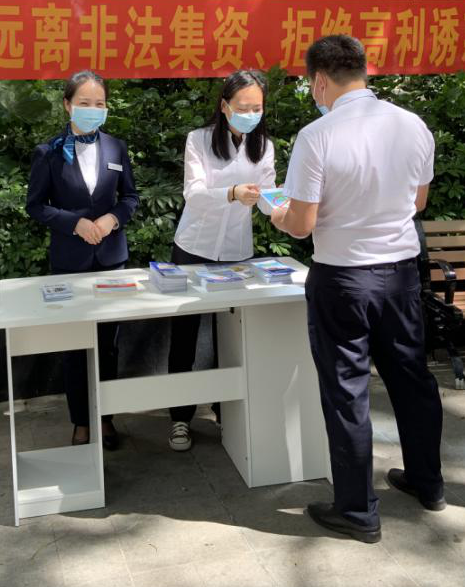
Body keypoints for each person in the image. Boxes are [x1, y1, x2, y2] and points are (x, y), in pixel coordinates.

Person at [270, 34, 443, 544]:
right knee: (411, 378)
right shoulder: (412, 124)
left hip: (343, 278)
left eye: (310, 83)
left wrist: (278, 215)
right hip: (401, 275)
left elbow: (302, 224)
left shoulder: (317, 135)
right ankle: (428, 482)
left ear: (320, 80)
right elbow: (418, 202)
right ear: (363, 72)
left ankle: (357, 510)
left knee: (347, 391)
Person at [26, 70, 139, 449]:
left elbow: (130, 198)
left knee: (108, 345)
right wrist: (74, 223)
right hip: (70, 262)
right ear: (67, 105)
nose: (93, 109)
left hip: (111, 261)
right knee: (75, 347)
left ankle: (105, 418)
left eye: (100, 103)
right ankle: (81, 421)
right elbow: (35, 205)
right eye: (85, 103)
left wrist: (112, 219)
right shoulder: (48, 152)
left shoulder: (116, 148)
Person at [167, 69, 277, 452]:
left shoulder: (263, 146)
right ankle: (180, 417)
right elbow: (194, 194)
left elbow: (268, 196)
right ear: (225, 106)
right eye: (243, 107)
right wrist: (231, 192)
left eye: (257, 108)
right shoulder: (198, 140)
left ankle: (226, 411)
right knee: (184, 334)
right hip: (193, 248)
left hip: (235, 252)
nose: (250, 114)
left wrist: (284, 207)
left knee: (230, 335)